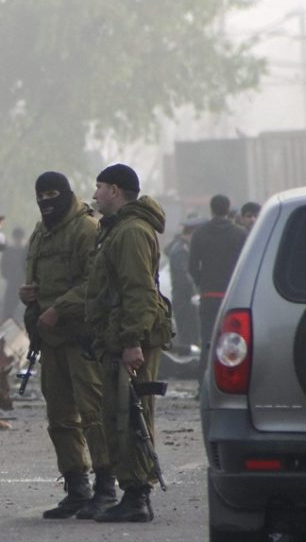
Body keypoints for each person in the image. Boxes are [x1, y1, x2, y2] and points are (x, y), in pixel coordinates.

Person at [19, 171, 113, 520]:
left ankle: (106, 487)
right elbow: (35, 279)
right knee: (60, 417)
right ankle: (77, 487)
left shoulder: (86, 229)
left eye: (52, 195)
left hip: (81, 337)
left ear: (66, 194)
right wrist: (29, 295)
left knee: (93, 413)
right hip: (50, 340)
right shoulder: (40, 232)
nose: (46, 202)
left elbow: (95, 283)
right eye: (40, 196)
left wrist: (59, 308)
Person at [85, 163, 172, 522]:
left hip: (130, 340)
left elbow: (139, 292)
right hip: (118, 338)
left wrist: (132, 340)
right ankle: (133, 492)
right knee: (119, 414)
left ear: (115, 191)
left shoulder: (132, 231)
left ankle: (137, 496)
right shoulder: (118, 229)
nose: (95, 194)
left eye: (100, 186)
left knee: (130, 416)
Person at [189, 194, 247, 382]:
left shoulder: (199, 233)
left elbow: (192, 266)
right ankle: (229, 381)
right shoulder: (240, 234)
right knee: (232, 342)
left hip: (208, 296)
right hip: (232, 297)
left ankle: (203, 384)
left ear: (211, 209)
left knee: (207, 342)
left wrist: (202, 283)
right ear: (228, 209)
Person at [166, 215, 204, 349]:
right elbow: (184, 276)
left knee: (193, 335)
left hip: (187, 299)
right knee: (188, 337)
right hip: (184, 300)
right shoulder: (180, 251)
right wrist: (194, 293)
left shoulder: (185, 248)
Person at [0, 227, 27, 324]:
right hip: (12, 285)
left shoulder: (27, 251)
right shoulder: (9, 251)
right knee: (8, 311)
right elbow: (3, 268)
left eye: (20, 238)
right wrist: (10, 277)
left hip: (25, 285)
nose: (18, 240)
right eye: (17, 238)